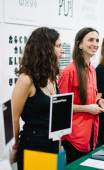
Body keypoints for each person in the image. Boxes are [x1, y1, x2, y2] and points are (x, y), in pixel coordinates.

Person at [58, 27, 104, 164]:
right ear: (79, 44)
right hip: (74, 136)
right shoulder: (69, 71)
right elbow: (61, 107)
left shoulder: (92, 70)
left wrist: (100, 101)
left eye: (97, 40)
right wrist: (87, 109)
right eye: (90, 40)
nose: (95, 44)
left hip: (90, 132)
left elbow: (91, 98)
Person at [11, 27, 64, 170]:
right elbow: (14, 119)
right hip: (34, 145)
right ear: (45, 49)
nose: (62, 51)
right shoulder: (26, 79)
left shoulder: (51, 76)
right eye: (58, 46)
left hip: (51, 143)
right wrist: (15, 146)